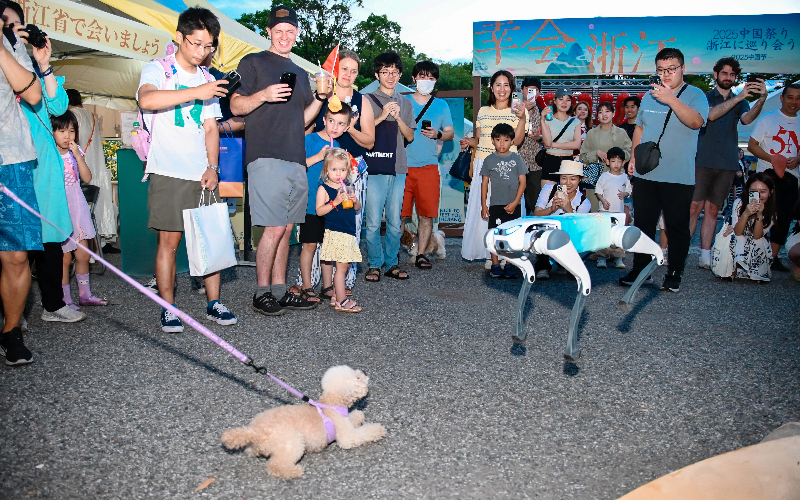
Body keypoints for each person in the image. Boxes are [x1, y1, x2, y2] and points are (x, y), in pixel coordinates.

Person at [137, 7, 238, 331]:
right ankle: (168, 307)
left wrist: (214, 167)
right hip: (168, 169)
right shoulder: (159, 69)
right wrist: (197, 92)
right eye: (196, 44)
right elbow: (146, 100)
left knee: (211, 239)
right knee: (169, 242)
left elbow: (211, 128)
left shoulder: (208, 78)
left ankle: (214, 302)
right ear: (179, 37)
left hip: (201, 173)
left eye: (208, 46)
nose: (202, 52)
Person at [230, 5, 329, 315]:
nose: (284, 36)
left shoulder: (301, 73)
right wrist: (264, 95)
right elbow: (235, 105)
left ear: (296, 34)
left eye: (290, 31)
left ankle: (278, 290)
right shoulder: (253, 62)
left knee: (287, 228)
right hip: (266, 155)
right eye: (279, 31)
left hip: (295, 157)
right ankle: (261, 293)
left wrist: (322, 98)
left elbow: (301, 120)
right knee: (273, 227)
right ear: (269, 32)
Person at [4, 0, 86, 325]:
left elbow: (58, 104)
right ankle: (13, 313)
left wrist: (44, 64)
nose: (7, 32)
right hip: (10, 165)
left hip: (44, 169)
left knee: (49, 240)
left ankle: (53, 304)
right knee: (12, 245)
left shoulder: (34, 72)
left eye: (13, 26)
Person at [623, 48, 708, 293]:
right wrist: (633, 157)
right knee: (643, 223)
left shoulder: (695, 95)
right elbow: (639, 128)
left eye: (671, 69)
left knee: (676, 225)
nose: (666, 74)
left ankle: (674, 272)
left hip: (678, 176)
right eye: (661, 70)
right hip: (646, 172)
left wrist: (671, 98)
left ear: (683, 69)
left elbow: (696, 122)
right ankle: (641, 269)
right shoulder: (650, 96)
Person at [691, 57, 767, 270]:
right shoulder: (704, 97)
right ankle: (679, 251)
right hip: (702, 159)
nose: (728, 78)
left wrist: (761, 99)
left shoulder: (741, 100)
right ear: (716, 74)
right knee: (693, 208)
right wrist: (740, 96)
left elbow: (747, 119)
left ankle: (705, 254)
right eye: (724, 73)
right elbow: (710, 116)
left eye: (732, 74)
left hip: (726, 162)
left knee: (713, 209)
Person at [0, 7, 43, 365]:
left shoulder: (9, 45)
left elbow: (32, 95)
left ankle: (10, 331)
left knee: (15, 255)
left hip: (10, 158)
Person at [459, 70, 527, 263]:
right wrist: (468, 141)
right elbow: (479, 140)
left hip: (508, 167)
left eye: (506, 85)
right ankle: (484, 252)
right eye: (498, 84)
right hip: (483, 162)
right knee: (485, 209)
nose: (502, 89)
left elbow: (519, 140)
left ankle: (506, 255)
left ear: (512, 88)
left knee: (506, 210)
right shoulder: (483, 111)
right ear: (491, 87)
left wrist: (522, 118)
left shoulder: (520, 111)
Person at [363, 52, 415, 282]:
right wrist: (383, 116)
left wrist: (398, 118)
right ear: (377, 74)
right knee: (373, 220)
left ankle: (392, 263)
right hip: (374, 165)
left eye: (394, 72)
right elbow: (363, 133)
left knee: (395, 221)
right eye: (385, 72)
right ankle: (375, 263)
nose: (390, 76)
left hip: (398, 166)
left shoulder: (405, 102)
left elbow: (410, 136)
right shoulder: (366, 99)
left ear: (400, 74)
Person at [50, 111, 108, 309]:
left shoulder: (76, 152)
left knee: (83, 254)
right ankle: (66, 300)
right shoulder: (49, 154)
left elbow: (87, 178)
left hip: (78, 206)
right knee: (64, 258)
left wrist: (77, 156)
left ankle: (85, 294)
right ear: (52, 132)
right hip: (60, 208)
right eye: (62, 131)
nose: (68, 136)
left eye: (72, 131)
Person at [295, 103, 351, 303]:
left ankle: (328, 287)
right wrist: (319, 156)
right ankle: (306, 286)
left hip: (332, 206)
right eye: (331, 121)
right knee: (309, 244)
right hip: (310, 203)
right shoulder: (309, 140)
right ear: (324, 120)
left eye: (341, 123)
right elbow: (297, 165)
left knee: (329, 246)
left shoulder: (341, 148)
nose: (335, 127)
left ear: (347, 126)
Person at [402, 60, 454, 270]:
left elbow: (450, 133)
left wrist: (438, 134)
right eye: (423, 76)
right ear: (414, 78)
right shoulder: (403, 101)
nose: (427, 81)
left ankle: (421, 254)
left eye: (431, 78)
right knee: (399, 214)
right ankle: (397, 250)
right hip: (402, 166)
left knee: (426, 214)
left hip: (429, 167)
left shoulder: (441, 105)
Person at [747, 83, 800, 273]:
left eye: (798, 98)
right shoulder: (768, 118)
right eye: (790, 97)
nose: (793, 102)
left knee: (784, 219)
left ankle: (772, 258)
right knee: (760, 215)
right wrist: (773, 159)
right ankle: (750, 255)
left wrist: (797, 159)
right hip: (766, 176)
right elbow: (752, 145)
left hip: (792, 178)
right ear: (782, 98)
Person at [66, 89, 119, 251]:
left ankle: (83, 247)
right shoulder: (91, 115)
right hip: (96, 165)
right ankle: (100, 243)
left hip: (80, 166)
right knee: (97, 207)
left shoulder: (70, 116)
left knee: (79, 211)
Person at [315, 148, 363, 312]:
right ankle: (342, 300)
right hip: (336, 232)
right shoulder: (324, 188)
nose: (338, 174)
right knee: (341, 268)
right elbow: (319, 211)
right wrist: (335, 201)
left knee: (345, 266)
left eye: (342, 170)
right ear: (326, 169)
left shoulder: (348, 187)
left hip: (348, 232)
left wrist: (355, 200)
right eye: (334, 169)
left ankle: (336, 296)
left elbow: (357, 208)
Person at [480, 123, 526, 278]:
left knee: (512, 235)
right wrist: (483, 205)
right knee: (495, 234)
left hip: (514, 204)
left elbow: (523, 182)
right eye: (498, 139)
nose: (502, 143)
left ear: (512, 141)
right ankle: (495, 264)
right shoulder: (489, 160)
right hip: (496, 204)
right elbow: (484, 183)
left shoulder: (517, 159)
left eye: (506, 140)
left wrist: (515, 203)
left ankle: (509, 264)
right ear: (493, 140)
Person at [532, 161, 591, 279]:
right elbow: (536, 215)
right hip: (547, 231)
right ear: (559, 178)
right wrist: (551, 209)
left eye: (573, 179)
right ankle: (543, 265)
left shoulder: (584, 202)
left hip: (568, 234)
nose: (568, 183)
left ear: (579, 180)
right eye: (564, 178)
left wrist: (569, 209)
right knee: (540, 229)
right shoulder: (549, 189)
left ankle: (564, 263)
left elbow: (579, 227)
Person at [720, 172, 776, 281]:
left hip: (756, 243)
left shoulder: (772, 210)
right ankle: (732, 268)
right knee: (738, 238)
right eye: (754, 192)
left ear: (770, 192)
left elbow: (757, 236)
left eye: (763, 192)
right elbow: (737, 232)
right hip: (737, 239)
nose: (758, 196)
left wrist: (759, 215)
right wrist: (745, 214)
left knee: (759, 241)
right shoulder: (739, 203)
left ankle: (756, 271)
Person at [580, 101, 632, 212]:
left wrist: (616, 156)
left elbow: (630, 152)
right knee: (595, 212)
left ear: (613, 114)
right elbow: (582, 157)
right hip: (594, 178)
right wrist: (596, 153)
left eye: (607, 111)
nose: (604, 114)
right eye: (600, 112)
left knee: (615, 211)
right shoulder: (591, 133)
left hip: (616, 178)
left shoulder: (621, 133)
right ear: (597, 115)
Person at [594, 147, 632, 269]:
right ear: (608, 162)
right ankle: (601, 257)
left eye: (619, 161)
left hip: (619, 212)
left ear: (623, 163)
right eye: (613, 161)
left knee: (618, 234)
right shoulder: (604, 176)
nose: (616, 164)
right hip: (605, 211)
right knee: (603, 234)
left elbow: (630, 190)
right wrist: (603, 201)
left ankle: (618, 257)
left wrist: (625, 194)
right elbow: (598, 191)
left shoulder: (624, 177)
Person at [540, 87, 581, 186]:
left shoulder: (575, 122)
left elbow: (576, 145)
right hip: (551, 160)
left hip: (568, 163)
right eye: (561, 99)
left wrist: (553, 144)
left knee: (566, 198)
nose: (564, 103)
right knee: (548, 197)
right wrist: (542, 119)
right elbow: (547, 142)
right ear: (555, 100)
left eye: (568, 100)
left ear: (571, 103)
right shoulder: (548, 120)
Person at [517, 77, 544, 215]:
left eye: (535, 90)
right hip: (516, 162)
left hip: (535, 164)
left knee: (536, 202)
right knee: (514, 202)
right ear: (522, 90)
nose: (532, 92)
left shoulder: (543, 113)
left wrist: (539, 138)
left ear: (539, 93)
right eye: (528, 89)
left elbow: (549, 138)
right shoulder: (513, 110)